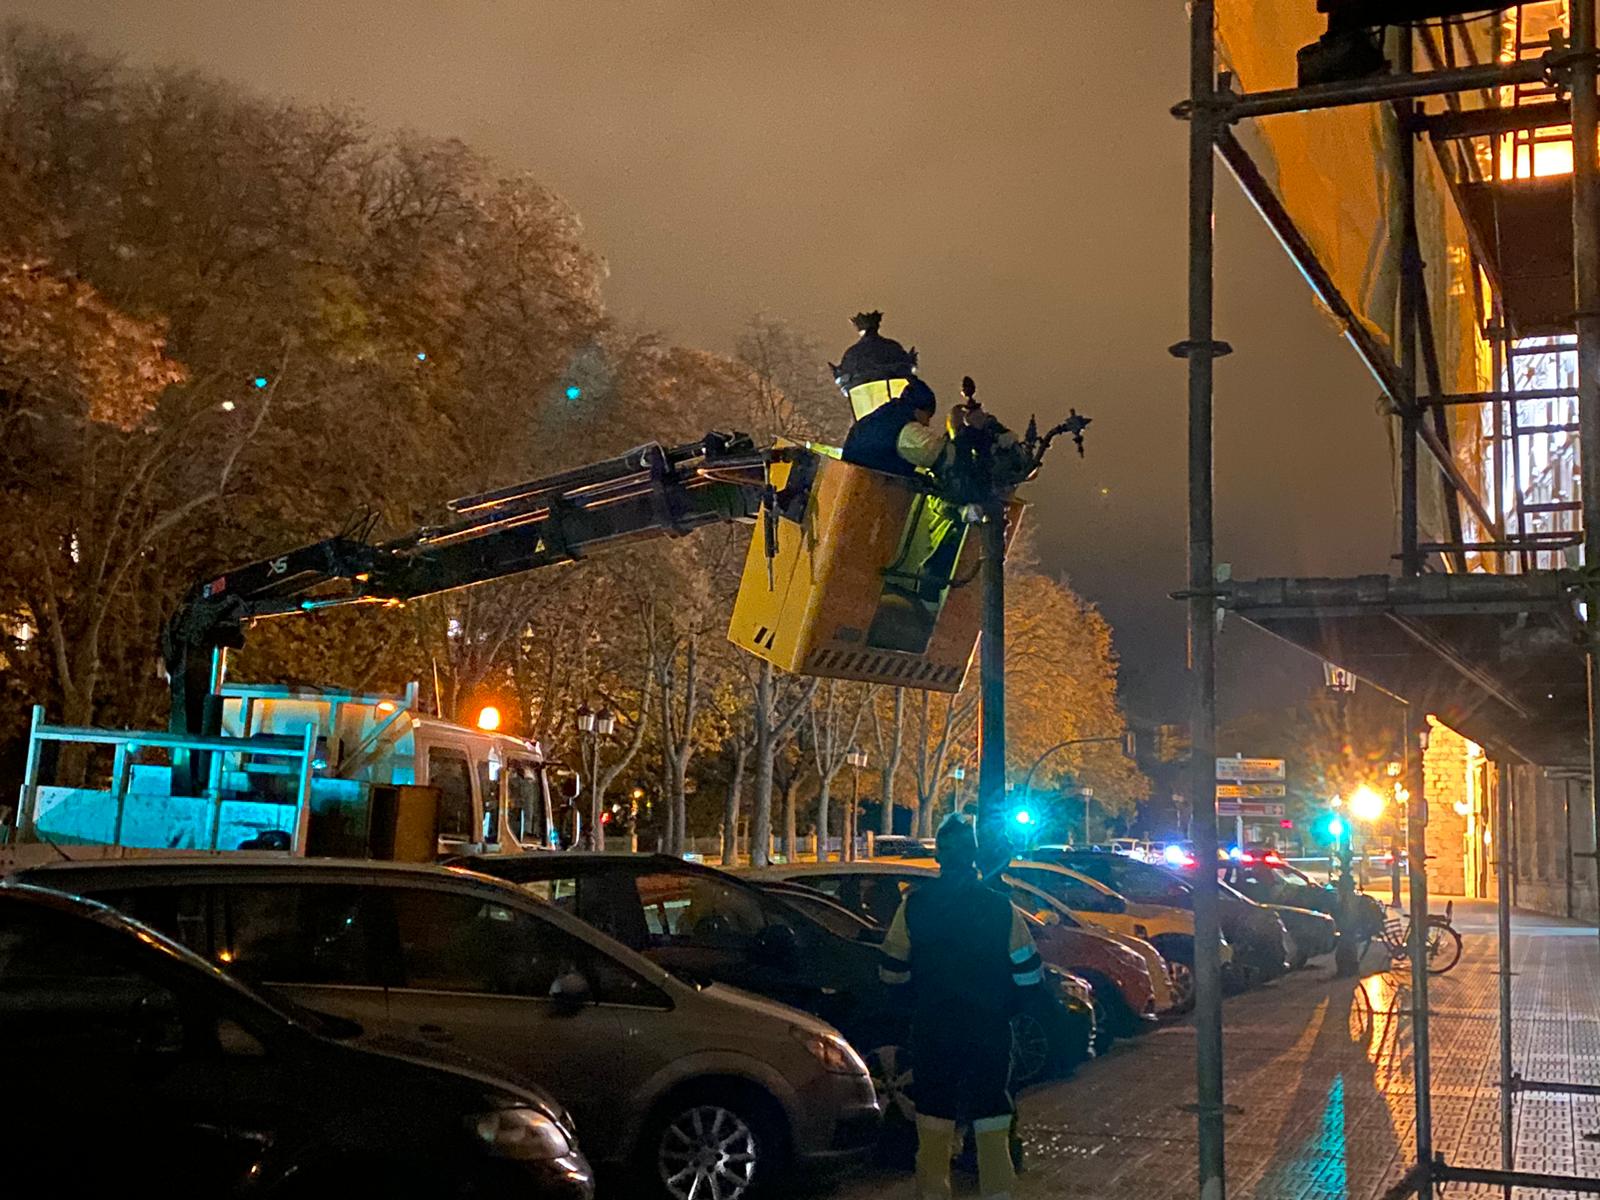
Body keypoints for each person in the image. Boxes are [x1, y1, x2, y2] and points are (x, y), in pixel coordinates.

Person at [878, 813, 1043, 1200]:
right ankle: (998, 1191)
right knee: (992, 1110)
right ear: (973, 856)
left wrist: (913, 1003)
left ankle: (934, 1190)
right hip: (989, 1029)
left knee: (933, 1110)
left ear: (939, 858)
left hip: (933, 1028)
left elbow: (891, 969)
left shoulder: (914, 907)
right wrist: (1009, 1009)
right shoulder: (1002, 908)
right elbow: (1030, 974)